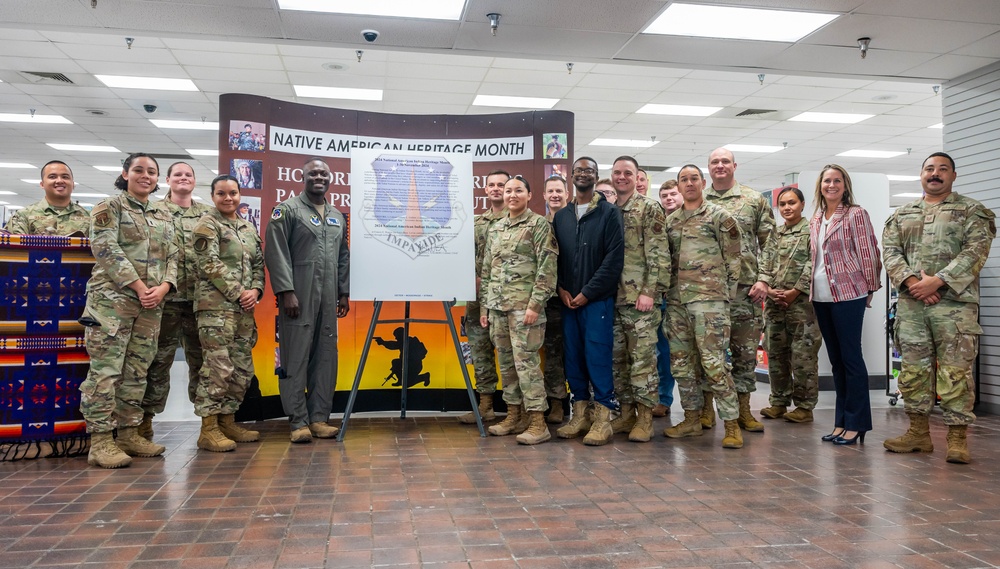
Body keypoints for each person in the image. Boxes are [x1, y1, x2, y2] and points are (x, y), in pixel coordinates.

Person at [882, 152, 996, 463]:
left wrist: (939, 281)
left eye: (943, 169)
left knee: (956, 372)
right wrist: (912, 283)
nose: (935, 174)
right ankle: (918, 433)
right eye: (929, 169)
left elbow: (976, 251)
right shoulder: (902, 215)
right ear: (921, 175)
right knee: (914, 371)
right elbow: (890, 252)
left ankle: (957, 439)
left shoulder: (972, 211)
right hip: (912, 306)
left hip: (955, 309)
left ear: (953, 176)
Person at [79, 152, 177, 468]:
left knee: (137, 370)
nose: (145, 175)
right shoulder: (110, 207)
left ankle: (128, 433)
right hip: (112, 303)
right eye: (138, 170)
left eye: (151, 171)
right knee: (106, 371)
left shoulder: (164, 215)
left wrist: (163, 288)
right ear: (125, 173)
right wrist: (138, 286)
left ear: (158, 179)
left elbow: (174, 257)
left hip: (151, 305)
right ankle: (101, 441)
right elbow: (107, 250)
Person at [264, 158, 350, 443]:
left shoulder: (337, 216)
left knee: (326, 357)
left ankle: (318, 418)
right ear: (302, 177)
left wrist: (343, 292)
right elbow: (276, 253)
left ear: (330, 179)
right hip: (297, 297)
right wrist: (286, 291)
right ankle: (298, 421)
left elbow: (342, 257)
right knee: (296, 357)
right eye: (313, 173)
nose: (318, 177)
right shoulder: (287, 211)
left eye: (323, 173)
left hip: (328, 299)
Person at [663, 165, 743, 448]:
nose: (689, 183)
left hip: (709, 303)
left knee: (714, 364)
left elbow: (734, 261)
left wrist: (724, 296)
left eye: (693, 178)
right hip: (677, 304)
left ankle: (731, 424)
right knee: (682, 365)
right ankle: (692, 418)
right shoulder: (670, 221)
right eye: (683, 179)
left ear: (703, 182)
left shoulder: (720, 217)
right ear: (679, 186)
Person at [479, 176, 558, 444]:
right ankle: (514, 415)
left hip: (525, 309)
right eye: (508, 190)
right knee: (507, 365)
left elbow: (547, 268)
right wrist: (486, 306)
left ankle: (538, 422)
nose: (511, 195)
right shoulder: (496, 227)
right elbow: (487, 270)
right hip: (498, 307)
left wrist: (535, 305)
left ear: (529, 194)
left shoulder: (538, 225)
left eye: (518, 190)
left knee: (527, 365)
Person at [551, 157, 624, 446]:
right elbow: (554, 259)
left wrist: (588, 292)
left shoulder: (608, 213)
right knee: (574, 359)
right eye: (579, 170)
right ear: (572, 176)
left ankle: (603, 419)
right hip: (568, 302)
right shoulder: (561, 217)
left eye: (589, 171)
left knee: (597, 356)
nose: (584, 174)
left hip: (596, 301)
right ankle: (579, 415)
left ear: (596, 177)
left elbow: (613, 260)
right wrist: (561, 290)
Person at [189, 175, 264, 452]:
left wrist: (255, 290)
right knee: (217, 368)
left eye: (233, 192)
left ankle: (228, 420)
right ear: (213, 196)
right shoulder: (207, 225)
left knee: (242, 368)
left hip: (243, 311)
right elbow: (209, 263)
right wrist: (239, 292)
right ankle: (208, 428)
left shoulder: (246, 227)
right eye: (221, 193)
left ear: (240, 194)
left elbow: (258, 263)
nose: (228, 198)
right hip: (215, 309)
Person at [139, 162, 212, 441]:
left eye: (189, 174)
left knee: (204, 364)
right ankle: (143, 424)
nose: (183, 178)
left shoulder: (208, 214)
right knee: (156, 363)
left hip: (199, 302)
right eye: (178, 174)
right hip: (163, 302)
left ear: (195, 181)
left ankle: (210, 423)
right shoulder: (153, 211)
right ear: (168, 179)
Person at [809, 164, 882, 446]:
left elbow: (868, 250)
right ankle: (841, 422)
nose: (831, 185)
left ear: (845, 185)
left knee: (851, 358)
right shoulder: (816, 218)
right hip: (821, 296)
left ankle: (857, 423)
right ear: (820, 186)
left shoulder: (855, 214)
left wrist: (871, 286)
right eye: (827, 181)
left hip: (849, 293)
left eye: (837, 181)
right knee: (836, 362)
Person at [703, 148, 775, 433]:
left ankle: (744, 409)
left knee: (744, 354)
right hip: (708, 292)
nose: (719, 166)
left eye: (724, 161)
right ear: (708, 168)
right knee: (708, 354)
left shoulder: (753, 200)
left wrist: (765, 279)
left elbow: (771, 242)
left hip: (745, 290)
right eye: (714, 162)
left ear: (734, 165)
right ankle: (707, 410)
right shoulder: (698, 200)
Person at [609, 156, 666, 442]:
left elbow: (658, 253)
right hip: (613, 298)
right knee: (617, 360)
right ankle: (626, 413)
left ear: (637, 176)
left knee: (642, 360)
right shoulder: (608, 210)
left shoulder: (648, 207)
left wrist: (649, 292)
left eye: (627, 173)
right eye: (617, 172)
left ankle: (645, 418)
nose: (622, 177)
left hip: (639, 299)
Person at [751, 187, 820, 423]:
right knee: (776, 353)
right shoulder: (775, 235)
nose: (787, 208)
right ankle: (779, 401)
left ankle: (804, 406)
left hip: (801, 304)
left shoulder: (812, 231)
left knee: (803, 355)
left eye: (792, 203)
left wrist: (794, 291)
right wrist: (768, 289)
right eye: (782, 204)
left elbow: (815, 263)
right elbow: (764, 263)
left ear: (802, 204)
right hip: (774, 303)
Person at [459, 170, 508, 424]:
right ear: (486, 190)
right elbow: (463, 258)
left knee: (511, 354)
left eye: (502, 184)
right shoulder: (477, 223)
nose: (497, 188)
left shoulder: (518, 220)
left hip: (505, 299)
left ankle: (515, 410)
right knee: (480, 352)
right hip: (477, 299)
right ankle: (485, 405)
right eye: (492, 185)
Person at [652, 180, 682, 417]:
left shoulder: (695, 219)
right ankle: (664, 398)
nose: (669, 198)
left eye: (673, 194)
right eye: (664, 195)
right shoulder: (658, 222)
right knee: (662, 353)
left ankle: (700, 406)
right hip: (662, 297)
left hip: (689, 296)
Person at [542, 175, 570, 423]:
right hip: (551, 300)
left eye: (559, 190)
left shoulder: (577, 222)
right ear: (543, 195)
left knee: (578, 353)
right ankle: (557, 403)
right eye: (550, 191)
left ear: (567, 193)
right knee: (552, 354)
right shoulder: (539, 225)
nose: (555, 195)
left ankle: (585, 404)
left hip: (577, 298)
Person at [4, 160, 90, 236]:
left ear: (73, 183)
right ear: (42, 184)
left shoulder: (90, 217)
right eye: (52, 177)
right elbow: (13, 249)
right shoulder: (23, 216)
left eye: (65, 177)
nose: (59, 181)